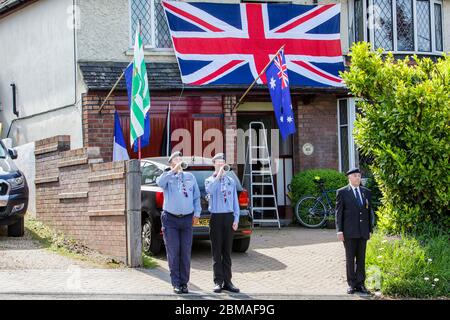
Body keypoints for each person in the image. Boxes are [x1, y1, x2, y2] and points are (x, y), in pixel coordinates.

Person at [156, 151, 201, 294]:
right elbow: (159, 182)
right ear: (171, 163)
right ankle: (176, 283)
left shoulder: (190, 177)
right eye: (176, 159)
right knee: (174, 252)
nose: (179, 160)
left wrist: (197, 213)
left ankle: (184, 283)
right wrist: (173, 171)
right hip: (171, 220)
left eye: (180, 158)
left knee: (185, 252)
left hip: (187, 219)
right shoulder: (167, 177)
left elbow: (196, 197)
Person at [204, 153, 240, 293]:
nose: (221, 164)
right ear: (214, 164)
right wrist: (218, 175)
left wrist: (236, 219)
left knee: (227, 252)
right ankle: (218, 281)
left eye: (223, 162)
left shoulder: (231, 181)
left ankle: (228, 282)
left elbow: (235, 202)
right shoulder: (209, 180)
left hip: (228, 217)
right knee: (217, 251)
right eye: (218, 162)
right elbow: (210, 191)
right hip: (216, 217)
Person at [335, 167, 373, 294]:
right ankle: (351, 284)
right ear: (349, 177)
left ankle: (360, 284)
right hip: (349, 232)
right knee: (350, 258)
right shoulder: (342, 192)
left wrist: (370, 229)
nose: (358, 178)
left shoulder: (366, 192)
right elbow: (338, 213)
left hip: (363, 231)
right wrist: (339, 230)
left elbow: (369, 213)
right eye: (355, 176)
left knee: (361, 259)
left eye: (359, 176)